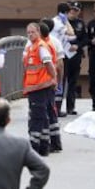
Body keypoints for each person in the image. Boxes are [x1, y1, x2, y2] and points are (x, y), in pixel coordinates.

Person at [23, 22, 58, 156]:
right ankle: (43, 147)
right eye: (28, 33)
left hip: (40, 87)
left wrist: (53, 78)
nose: (30, 35)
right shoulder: (32, 47)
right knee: (41, 117)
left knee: (36, 119)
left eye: (32, 32)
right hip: (35, 88)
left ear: (38, 32)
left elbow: (48, 63)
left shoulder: (40, 47)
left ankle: (35, 147)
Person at [39, 20, 63, 152]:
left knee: (41, 115)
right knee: (51, 113)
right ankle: (56, 143)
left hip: (39, 85)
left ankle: (44, 144)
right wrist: (58, 82)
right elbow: (60, 65)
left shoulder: (35, 44)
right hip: (49, 84)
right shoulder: (55, 42)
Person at [52, 2, 76, 117]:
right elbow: (71, 32)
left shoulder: (56, 22)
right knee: (59, 81)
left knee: (59, 81)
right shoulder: (58, 23)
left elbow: (71, 36)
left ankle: (56, 108)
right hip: (56, 56)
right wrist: (66, 21)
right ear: (65, 13)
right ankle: (55, 109)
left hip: (58, 54)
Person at [65, 1, 88, 115]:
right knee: (61, 82)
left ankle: (70, 107)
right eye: (72, 10)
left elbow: (85, 39)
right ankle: (57, 107)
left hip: (76, 55)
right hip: (63, 56)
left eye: (76, 10)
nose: (73, 12)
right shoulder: (62, 22)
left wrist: (77, 46)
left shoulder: (80, 23)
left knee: (73, 82)